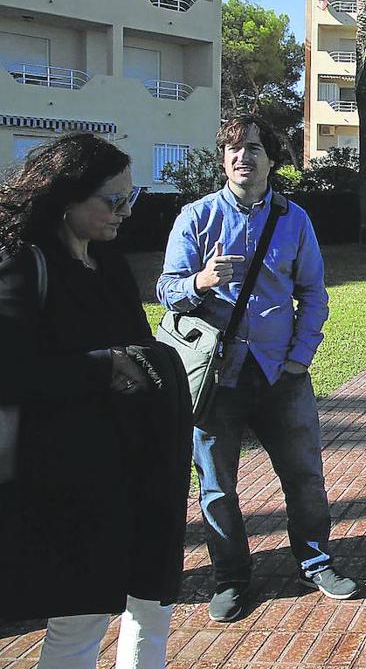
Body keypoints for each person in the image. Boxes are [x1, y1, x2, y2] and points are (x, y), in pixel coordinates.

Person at [157, 114, 362, 623]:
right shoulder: (196, 217)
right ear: (222, 158)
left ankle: (314, 562)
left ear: (272, 159)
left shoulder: (295, 220)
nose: (241, 156)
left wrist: (300, 356)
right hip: (214, 379)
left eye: (252, 148)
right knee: (216, 485)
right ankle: (231, 578)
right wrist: (200, 281)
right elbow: (165, 290)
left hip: (279, 375)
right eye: (232, 148)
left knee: (305, 475)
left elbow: (313, 292)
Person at [0, 134, 192, 669]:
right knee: (78, 620)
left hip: (135, 464)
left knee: (152, 603)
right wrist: (102, 367)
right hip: (68, 477)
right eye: (113, 201)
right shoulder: (24, 263)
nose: (125, 212)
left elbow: (135, 341)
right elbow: (9, 371)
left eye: (133, 198)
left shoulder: (108, 262)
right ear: (67, 198)